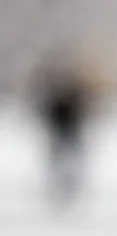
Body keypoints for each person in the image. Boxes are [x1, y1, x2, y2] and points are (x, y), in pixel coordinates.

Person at [38, 62, 89, 210]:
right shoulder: (60, 100)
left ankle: (68, 188)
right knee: (61, 164)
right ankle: (61, 189)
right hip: (62, 136)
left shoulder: (72, 99)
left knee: (68, 164)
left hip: (68, 136)